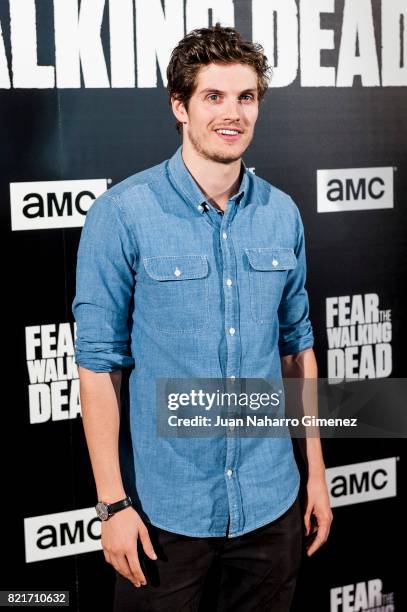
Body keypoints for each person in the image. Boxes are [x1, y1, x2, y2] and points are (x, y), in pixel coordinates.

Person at [72, 23, 333, 612]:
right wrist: (112, 505)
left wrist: (314, 471)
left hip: (272, 504)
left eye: (245, 97)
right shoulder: (122, 215)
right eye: (213, 96)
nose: (232, 113)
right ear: (179, 107)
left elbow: (297, 350)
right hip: (166, 517)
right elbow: (98, 367)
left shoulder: (282, 215)